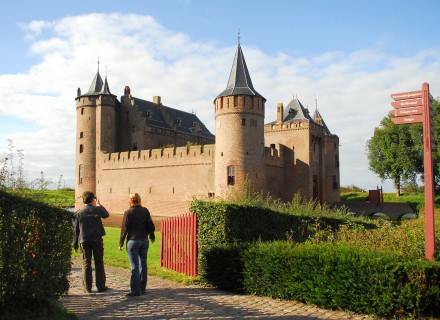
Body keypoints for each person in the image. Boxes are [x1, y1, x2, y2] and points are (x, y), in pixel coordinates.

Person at [119, 192, 155, 297]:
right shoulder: (145, 211)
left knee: (134, 265)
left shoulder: (128, 212)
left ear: (130, 201)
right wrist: (152, 236)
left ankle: (135, 290)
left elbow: (124, 229)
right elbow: (150, 225)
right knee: (143, 264)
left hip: (133, 241)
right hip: (144, 240)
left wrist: (120, 242)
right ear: (139, 199)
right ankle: (142, 288)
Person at [73, 191, 109, 293]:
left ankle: (87, 288)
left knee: (86, 264)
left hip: (84, 240)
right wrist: (99, 204)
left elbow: (75, 230)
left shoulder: (79, 212)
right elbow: (106, 214)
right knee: (99, 262)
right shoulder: (97, 210)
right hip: (97, 239)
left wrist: (75, 243)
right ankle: (100, 286)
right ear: (93, 199)